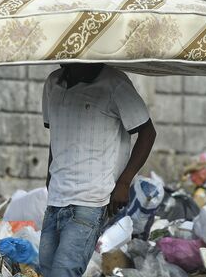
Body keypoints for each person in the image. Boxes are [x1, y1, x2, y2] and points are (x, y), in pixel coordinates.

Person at [39, 63, 157, 276]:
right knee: (47, 270)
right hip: (56, 198)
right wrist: (49, 178)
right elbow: (55, 136)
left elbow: (148, 133)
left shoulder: (115, 83)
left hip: (91, 201)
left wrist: (123, 182)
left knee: (63, 272)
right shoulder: (52, 83)